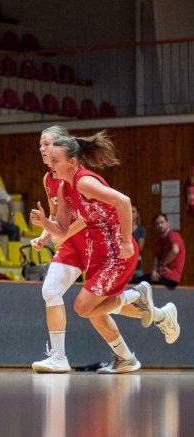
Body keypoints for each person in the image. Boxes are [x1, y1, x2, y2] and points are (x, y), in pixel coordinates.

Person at [31, 132, 180, 373]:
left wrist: (127, 243)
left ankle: (138, 298)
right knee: (93, 309)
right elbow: (63, 229)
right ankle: (149, 320)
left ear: (72, 162)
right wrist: (44, 225)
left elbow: (124, 201)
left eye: (55, 158)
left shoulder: (84, 182)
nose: (49, 160)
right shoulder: (63, 187)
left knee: (84, 307)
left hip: (117, 254)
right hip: (100, 253)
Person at [29, 126, 87, 373]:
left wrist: (61, 232)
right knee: (51, 290)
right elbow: (54, 215)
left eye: (48, 144)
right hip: (70, 243)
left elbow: (85, 217)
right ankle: (59, 356)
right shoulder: (47, 179)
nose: (43, 149)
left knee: (100, 307)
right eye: (41, 145)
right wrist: (44, 235)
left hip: (91, 240)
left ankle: (152, 310)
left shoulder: (79, 178)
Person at [136, 214, 185, 289]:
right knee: (136, 282)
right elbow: (156, 259)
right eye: (157, 223)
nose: (160, 225)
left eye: (162, 222)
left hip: (171, 277)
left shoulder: (173, 235)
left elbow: (175, 250)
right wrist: (154, 271)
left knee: (137, 283)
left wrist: (163, 264)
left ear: (167, 223)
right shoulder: (158, 242)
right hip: (160, 276)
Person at [130, 204, 146, 282]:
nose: (131, 213)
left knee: (139, 286)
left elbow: (140, 248)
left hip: (137, 265)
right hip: (125, 265)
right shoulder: (123, 229)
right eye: (129, 211)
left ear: (137, 214)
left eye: (133, 212)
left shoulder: (141, 230)